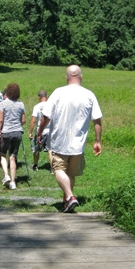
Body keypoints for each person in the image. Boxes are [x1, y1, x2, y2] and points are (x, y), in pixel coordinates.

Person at [37, 65, 102, 213]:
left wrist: (40, 132)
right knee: (70, 173)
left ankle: (70, 197)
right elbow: (97, 120)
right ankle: (66, 201)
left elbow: (46, 116)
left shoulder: (58, 92)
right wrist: (98, 141)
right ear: (81, 76)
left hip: (60, 141)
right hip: (78, 143)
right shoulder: (89, 95)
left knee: (58, 169)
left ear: (66, 77)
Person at [0, 83, 26, 190]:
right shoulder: (21, 104)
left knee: (3, 154)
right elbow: (23, 120)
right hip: (17, 132)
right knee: (13, 157)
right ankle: (13, 181)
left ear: (7, 92)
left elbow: (0, 120)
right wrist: (17, 126)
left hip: (6, 132)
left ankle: (6, 175)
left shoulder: (3, 104)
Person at [29, 90, 52, 171]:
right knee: (50, 150)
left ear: (39, 97)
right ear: (47, 96)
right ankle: (52, 168)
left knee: (36, 149)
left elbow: (33, 120)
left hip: (40, 131)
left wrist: (30, 132)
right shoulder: (51, 106)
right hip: (50, 131)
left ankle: (35, 165)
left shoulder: (37, 107)